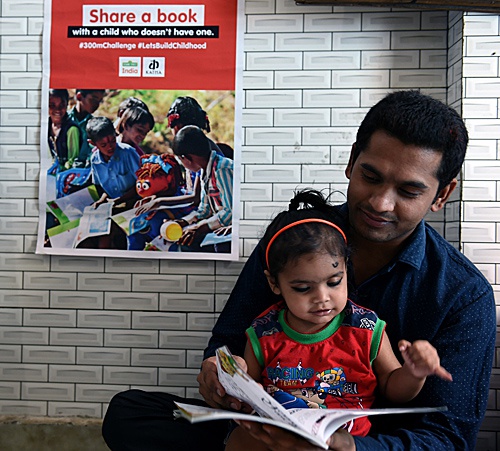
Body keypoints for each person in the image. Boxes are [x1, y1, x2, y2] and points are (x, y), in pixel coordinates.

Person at [102, 90, 495, 451]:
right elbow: (228, 343)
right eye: (370, 176)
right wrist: (219, 374)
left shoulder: (462, 294)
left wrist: (351, 448)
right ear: (351, 162)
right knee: (130, 412)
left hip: (361, 442)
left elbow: (449, 437)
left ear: (442, 194)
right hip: (266, 428)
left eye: (409, 191)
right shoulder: (294, 239)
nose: (380, 202)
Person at [225, 189, 452, 450]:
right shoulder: (264, 333)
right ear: (274, 283)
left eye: (334, 282)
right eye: (303, 288)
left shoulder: (365, 328)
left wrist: (414, 372)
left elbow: (393, 389)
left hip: (343, 443)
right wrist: (236, 378)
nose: (322, 297)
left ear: (346, 268)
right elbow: (249, 398)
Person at [172, 125, 233, 252]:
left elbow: (230, 212)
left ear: (187, 158)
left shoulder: (222, 169)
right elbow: (204, 211)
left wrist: (199, 228)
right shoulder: (204, 172)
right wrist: (183, 222)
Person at [87, 116, 140, 205]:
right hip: (114, 205)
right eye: (103, 145)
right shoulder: (95, 161)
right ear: (93, 143)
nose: (110, 147)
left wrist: (120, 200)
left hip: (135, 203)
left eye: (112, 141)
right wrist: (102, 200)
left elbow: (143, 181)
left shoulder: (128, 153)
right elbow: (105, 188)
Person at [68, 88, 106, 166]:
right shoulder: (63, 119)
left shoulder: (95, 126)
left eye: (99, 101)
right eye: (93, 100)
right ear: (79, 97)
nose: (96, 105)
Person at [47, 89, 82, 171]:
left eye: (62, 105)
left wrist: (61, 169)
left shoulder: (72, 129)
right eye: (52, 105)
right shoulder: (46, 126)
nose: (57, 110)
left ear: (67, 105)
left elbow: (72, 160)